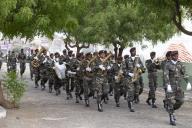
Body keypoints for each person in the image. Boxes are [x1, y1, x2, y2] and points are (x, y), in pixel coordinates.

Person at [164, 51, 188, 126]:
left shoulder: (180, 64)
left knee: (181, 100)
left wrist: (188, 82)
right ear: (171, 56)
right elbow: (166, 75)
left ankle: (169, 106)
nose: (176, 57)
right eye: (175, 56)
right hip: (170, 86)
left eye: (177, 56)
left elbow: (184, 73)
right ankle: (171, 116)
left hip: (178, 87)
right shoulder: (167, 64)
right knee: (171, 102)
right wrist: (168, 85)